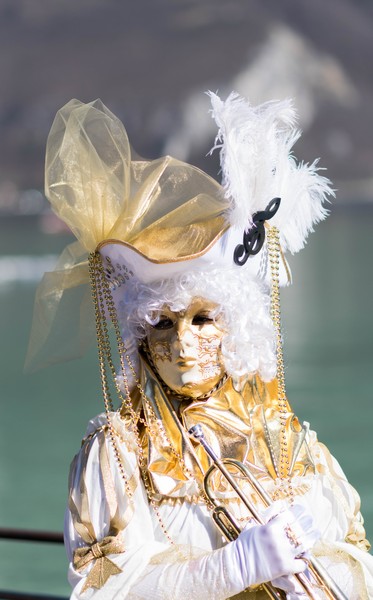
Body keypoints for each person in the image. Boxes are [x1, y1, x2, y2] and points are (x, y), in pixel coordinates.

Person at [28, 92, 373, 599]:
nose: (182, 342)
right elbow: (100, 590)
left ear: (237, 327)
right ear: (140, 335)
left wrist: (322, 576)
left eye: (203, 319)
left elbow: (360, 556)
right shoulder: (119, 453)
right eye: (162, 324)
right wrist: (234, 567)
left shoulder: (294, 442)